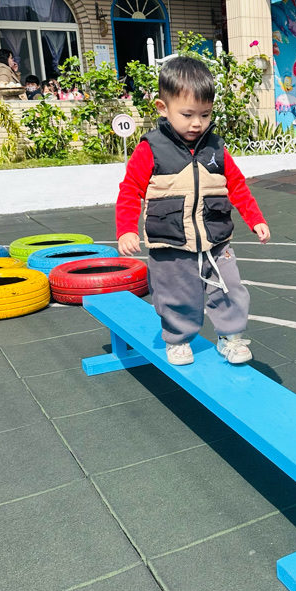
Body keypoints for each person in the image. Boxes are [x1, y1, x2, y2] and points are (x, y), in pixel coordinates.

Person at [116, 55, 271, 366]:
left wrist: (255, 219)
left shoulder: (217, 148)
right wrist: (127, 230)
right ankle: (178, 339)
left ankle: (230, 338)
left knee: (230, 289)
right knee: (176, 294)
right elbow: (130, 190)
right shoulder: (150, 149)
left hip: (216, 241)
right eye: (187, 114)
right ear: (163, 108)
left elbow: (237, 186)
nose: (197, 123)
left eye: (205, 114)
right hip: (171, 244)